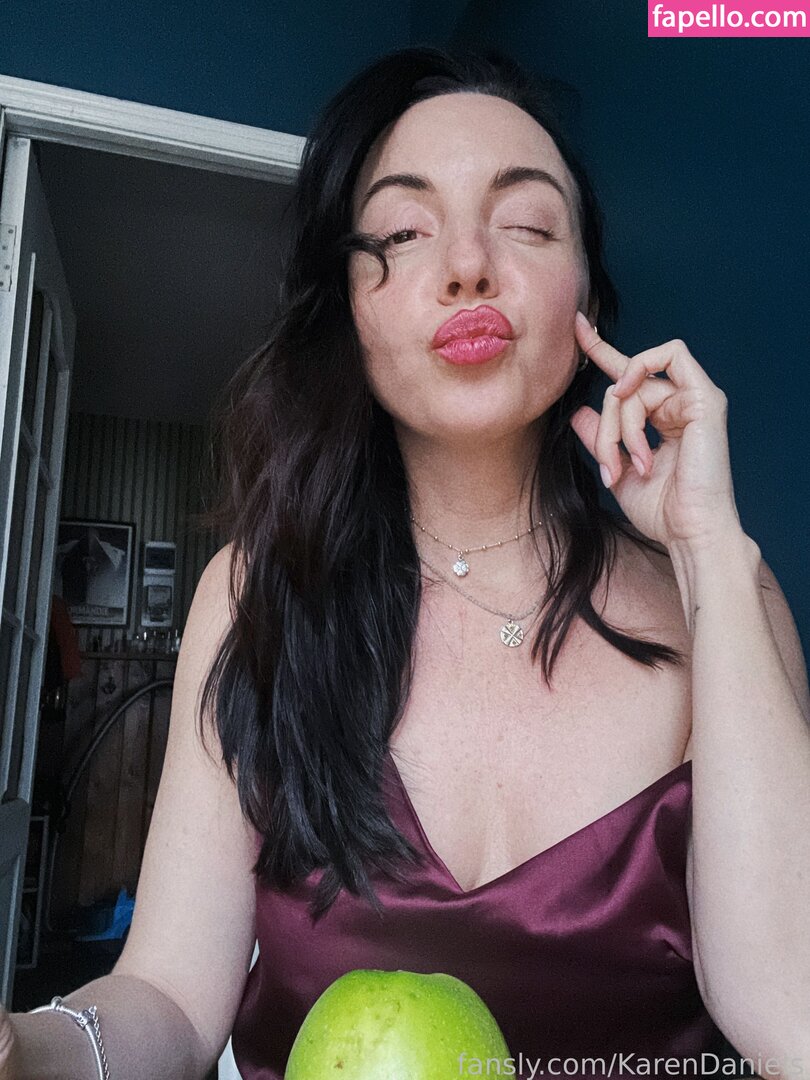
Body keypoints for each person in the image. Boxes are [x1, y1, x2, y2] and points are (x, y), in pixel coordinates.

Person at [3, 45, 809, 1080]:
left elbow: (791, 1015)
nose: (468, 264)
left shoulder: (724, 594)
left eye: (526, 224)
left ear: (586, 297)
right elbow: (167, 996)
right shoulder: (252, 598)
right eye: (403, 232)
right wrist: (26, 1050)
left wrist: (709, 551)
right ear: (348, 305)